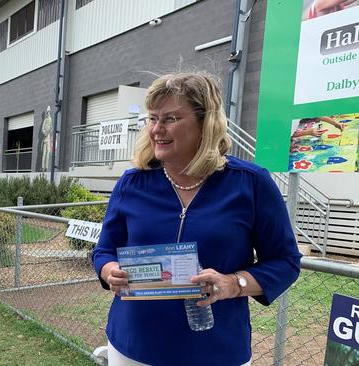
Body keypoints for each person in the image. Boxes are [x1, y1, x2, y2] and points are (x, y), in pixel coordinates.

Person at [92, 72, 302, 366]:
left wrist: (232, 284)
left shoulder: (250, 184)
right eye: (152, 119)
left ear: (206, 122)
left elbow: (285, 261)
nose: (156, 130)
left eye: (170, 119)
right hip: (133, 347)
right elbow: (103, 251)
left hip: (215, 351)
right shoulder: (132, 184)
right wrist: (109, 270)